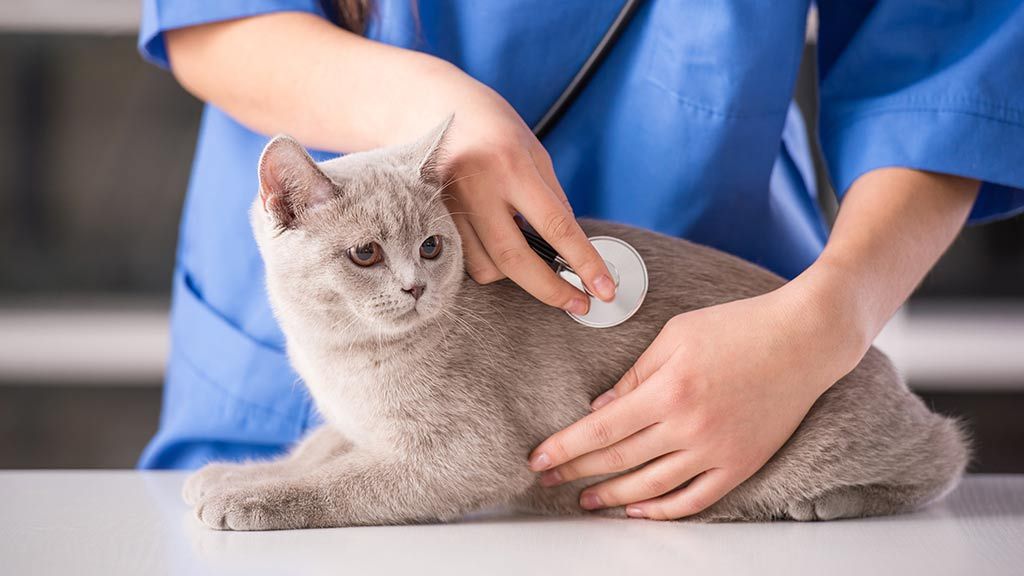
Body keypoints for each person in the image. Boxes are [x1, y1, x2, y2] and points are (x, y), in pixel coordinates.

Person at [138, 0, 1024, 520]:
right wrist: (437, 108)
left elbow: (943, 70)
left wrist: (825, 320)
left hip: (732, 352)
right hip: (321, 303)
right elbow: (210, 17)